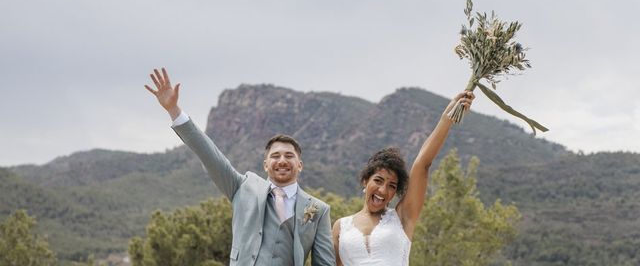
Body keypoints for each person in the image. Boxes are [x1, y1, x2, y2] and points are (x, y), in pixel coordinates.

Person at [145, 68, 336, 266]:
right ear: (265, 165)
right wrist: (174, 110)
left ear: (300, 165)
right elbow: (209, 154)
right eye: (275, 156)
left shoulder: (318, 210)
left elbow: (324, 263)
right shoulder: (242, 187)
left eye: (289, 156)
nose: (282, 161)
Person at [332, 91, 475, 266]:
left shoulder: (402, 217)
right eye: (378, 180)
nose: (383, 190)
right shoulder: (341, 227)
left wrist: (447, 118)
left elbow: (422, 164)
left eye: (392, 186)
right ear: (365, 180)